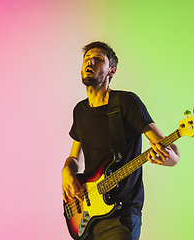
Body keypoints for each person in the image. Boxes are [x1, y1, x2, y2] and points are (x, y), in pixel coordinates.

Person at [61, 41, 180, 240]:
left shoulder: (126, 102)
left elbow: (166, 146)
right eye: (87, 59)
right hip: (88, 215)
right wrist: (67, 170)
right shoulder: (80, 111)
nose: (90, 61)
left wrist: (171, 158)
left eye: (98, 59)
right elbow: (75, 158)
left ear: (111, 71)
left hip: (121, 215)